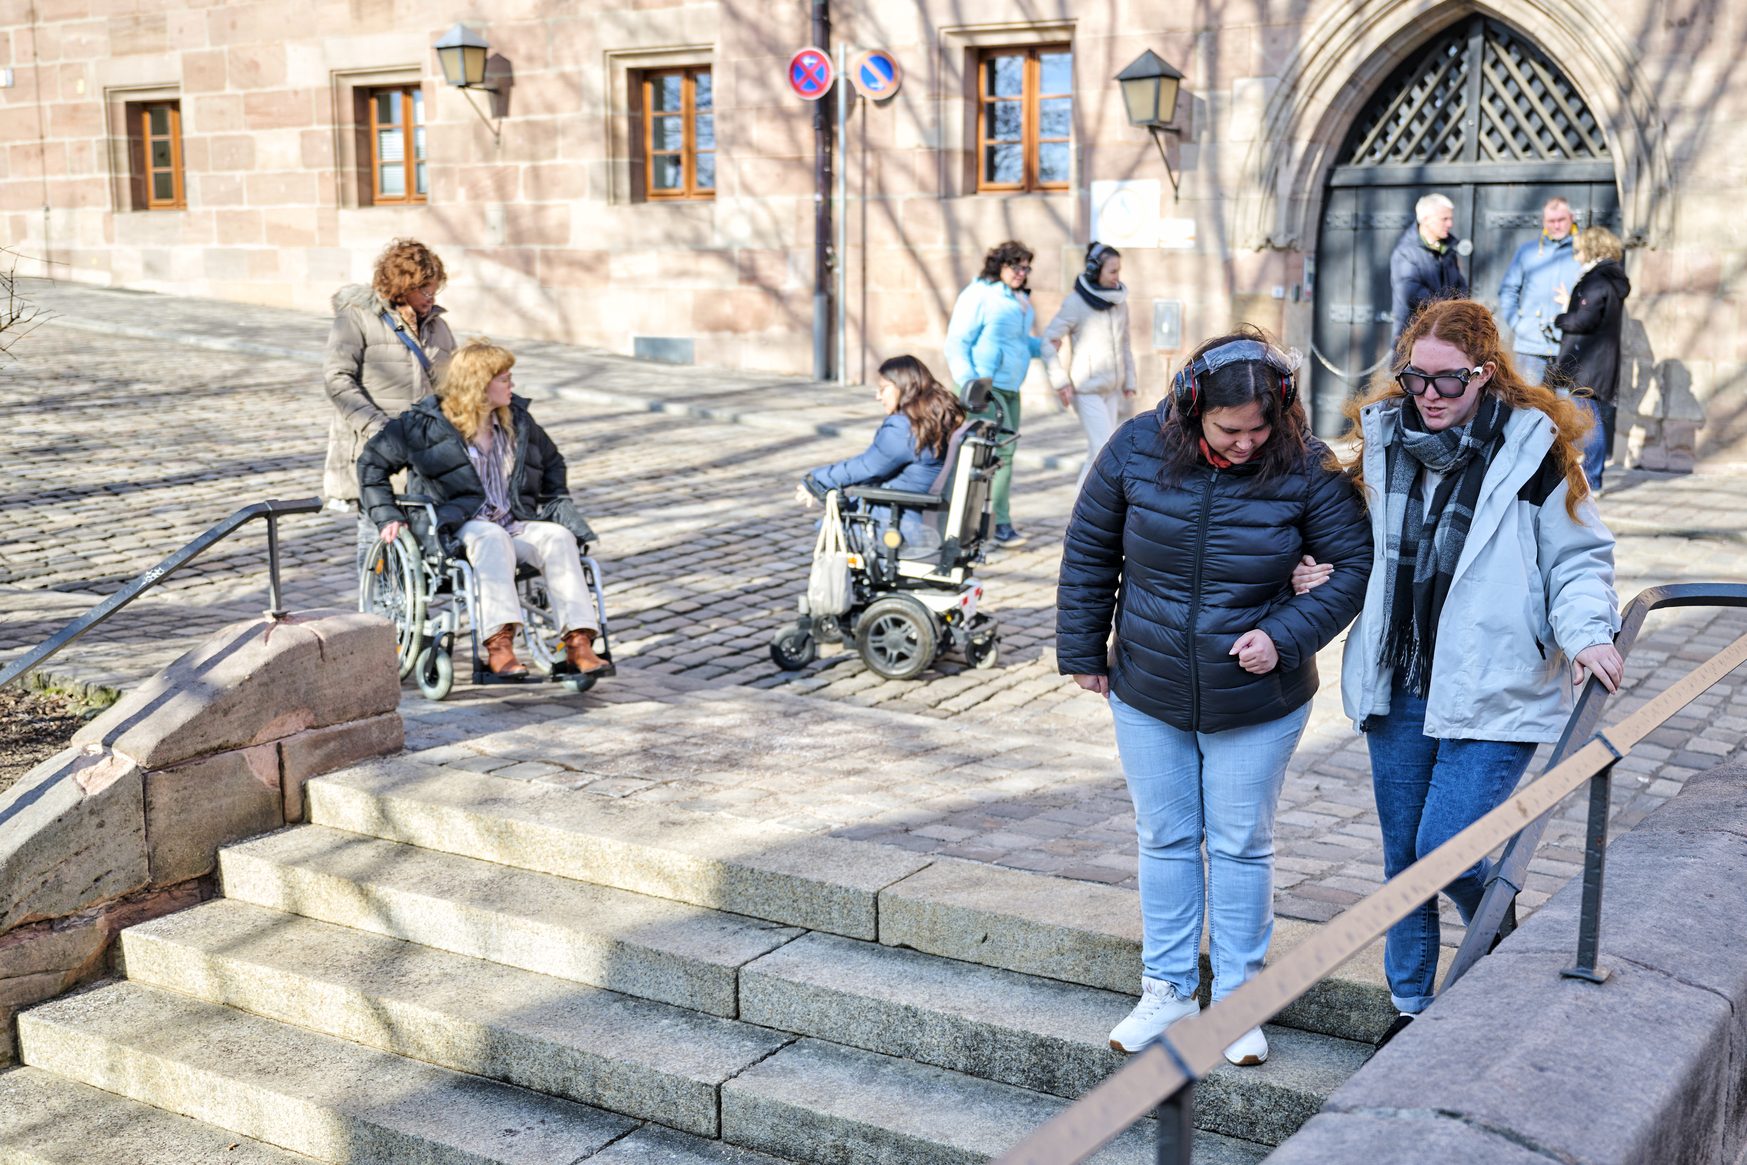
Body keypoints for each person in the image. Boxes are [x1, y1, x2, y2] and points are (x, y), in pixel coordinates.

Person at [1056, 329, 1372, 1067]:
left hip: (1258, 697)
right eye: (1230, 429)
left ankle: (1237, 1001)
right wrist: (1082, 651)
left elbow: (1352, 564)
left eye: (1260, 428)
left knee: (1238, 843)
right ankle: (1166, 989)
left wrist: (1284, 635)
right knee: (1164, 837)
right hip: (1148, 684)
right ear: (1191, 407)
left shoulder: (1306, 465)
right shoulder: (1135, 448)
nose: (1246, 443)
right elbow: (1090, 551)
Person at [1332, 299, 1621, 1045]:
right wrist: (1317, 570)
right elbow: (1350, 546)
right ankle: (1409, 1006)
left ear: (1485, 374)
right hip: (1399, 679)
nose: (1428, 395)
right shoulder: (1382, 444)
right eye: (1414, 378)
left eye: (1448, 380)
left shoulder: (1533, 452)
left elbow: (1576, 560)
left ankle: (1495, 923)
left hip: (1495, 681)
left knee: (1445, 847)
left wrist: (1587, 635)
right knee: (1404, 860)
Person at [358, 339, 607, 678]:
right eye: (504, 378)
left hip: (513, 520)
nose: (511, 384)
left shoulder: (517, 420)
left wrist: (552, 501)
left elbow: (552, 462)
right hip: (455, 527)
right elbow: (371, 464)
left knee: (558, 537)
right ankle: (499, 646)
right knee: (491, 537)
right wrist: (387, 515)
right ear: (479, 384)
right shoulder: (424, 425)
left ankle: (578, 642)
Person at [797, 355, 966, 555]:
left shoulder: (904, 427)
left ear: (902, 386)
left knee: (830, 527)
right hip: (926, 516)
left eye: (883, 388)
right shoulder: (938, 416)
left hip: (902, 524)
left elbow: (867, 467)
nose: (878, 396)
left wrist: (815, 481)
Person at [945, 240, 1043, 545]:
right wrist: (969, 384)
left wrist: (1044, 346)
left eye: (1026, 268)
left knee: (1001, 454)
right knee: (985, 454)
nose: (1021, 273)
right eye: (1015, 266)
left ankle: (990, 522)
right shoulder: (980, 295)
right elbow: (957, 341)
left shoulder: (1018, 299)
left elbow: (1017, 342)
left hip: (1011, 388)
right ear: (999, 265)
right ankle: (983, 523)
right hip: (984, 388)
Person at [1043, 242, 1138, 489]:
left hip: (1112, 390)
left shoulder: (1120, 302)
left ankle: (1080, 504)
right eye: (1112, 271)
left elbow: (1125, 343)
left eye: (1119, 270)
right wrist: (1060, 381)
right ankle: (1087, 506)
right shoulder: (1075, 303)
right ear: (1095, 270)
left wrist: (1129, 381)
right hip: (1087, 390)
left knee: (1097, 451)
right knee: (1103, 449)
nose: (1117, 276)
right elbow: (1049, 341)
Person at [1551, 226, 1631, 489]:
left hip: (1588, 360)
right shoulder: (1608, 278)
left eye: (1579, 250)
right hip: (1595, 359)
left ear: (1592, 248)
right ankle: (1589, 477)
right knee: (1588, 417)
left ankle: (1593, 481)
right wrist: (1571, 303)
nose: (1576, 256)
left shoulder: (1597, 280)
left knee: (1589, 421)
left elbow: (1585, 320)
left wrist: (1560, 317)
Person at [1496, 197, 1582, 385]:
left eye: (1561, 220)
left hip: (1570, 347)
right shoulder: (1528, 251)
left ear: (1571, 218)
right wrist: (1519, 325)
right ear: (1543, 222)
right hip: (1531, 347)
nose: (1556, 226)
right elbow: (1508, 290)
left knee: (1565, 403)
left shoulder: (1583, 251)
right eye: (1551, 221)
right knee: (1528, 399)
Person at [1390, 194, 1468, 343]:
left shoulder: (1448, 250)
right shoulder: (1406, 253)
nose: (1450, 224)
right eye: (1444, 219)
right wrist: (1450, 309)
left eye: (1450, 218)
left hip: (1445, 335)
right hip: (1414, 338)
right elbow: (1411, 294)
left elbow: (1461, 287)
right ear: (1425, 219)